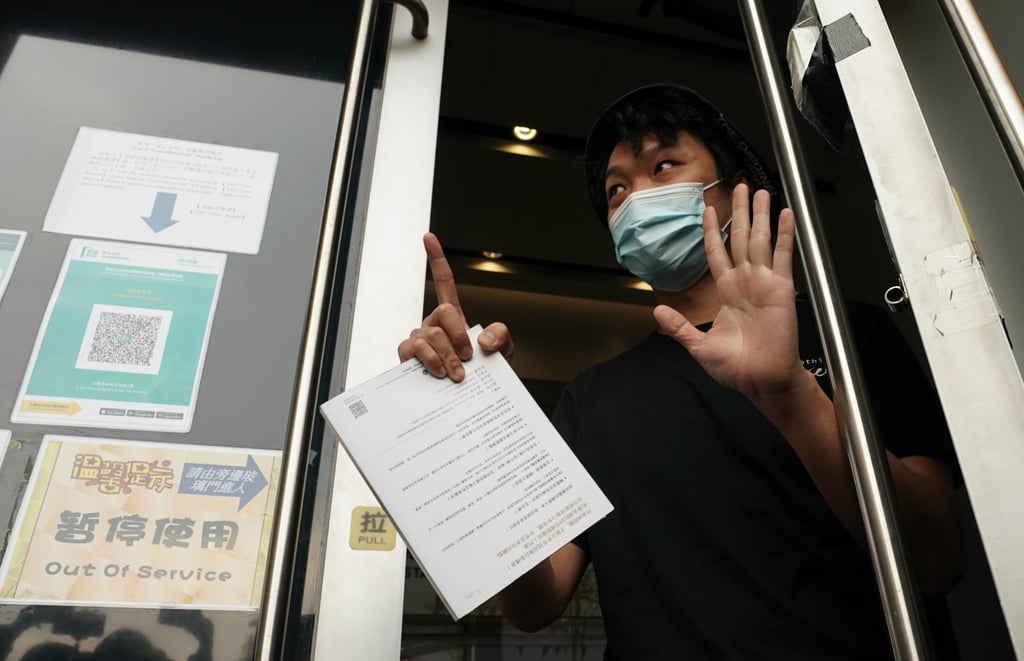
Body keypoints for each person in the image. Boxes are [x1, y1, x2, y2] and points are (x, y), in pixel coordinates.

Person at [399, 84, 964, 659]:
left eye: (664, 166)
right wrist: (476, 417)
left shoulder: (850, 337)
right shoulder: (592, 397)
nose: (636, 199)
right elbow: (534, 604)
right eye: (616, 190)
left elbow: (937, 559)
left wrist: (790, 392)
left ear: (737, 188)